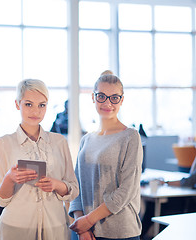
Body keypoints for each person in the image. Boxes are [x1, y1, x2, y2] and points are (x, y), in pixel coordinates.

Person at [0, 79, 79, 240]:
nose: (36, 111)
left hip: (56, 228)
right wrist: (9, 178)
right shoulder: (3, 143)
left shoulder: (59, 141)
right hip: (16, 228)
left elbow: (73, 189)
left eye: (42, 105)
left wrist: (57, 184)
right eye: (28, 104)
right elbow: (1, 200)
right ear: (17, 104)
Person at [69, 71, 143, 240]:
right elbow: (76, 186)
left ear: (122, 100)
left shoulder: (130, 136)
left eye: (114, 97)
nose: (107, 103)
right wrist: (82, 226)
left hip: (119, 232)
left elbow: (126, 191)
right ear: (93, 98)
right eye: (101, 96)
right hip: (84, 232)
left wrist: (88, 220)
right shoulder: (86, 139)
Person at [141, 157, 196, 238]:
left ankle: (142, 235)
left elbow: (188, 182)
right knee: (152, 205)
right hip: (190, 198)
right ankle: (141, 235)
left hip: (191, 202)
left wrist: (165, 182)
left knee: (156, 206)